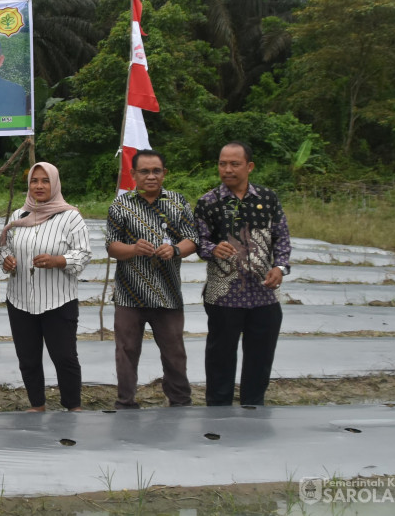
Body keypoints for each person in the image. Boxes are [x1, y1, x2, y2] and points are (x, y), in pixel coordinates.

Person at [194, 141, 292, 406]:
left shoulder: (268, 199)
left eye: (234, 164)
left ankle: (253, 408)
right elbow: (197, 242)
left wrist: (280, 267)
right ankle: (218, 411)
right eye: (222, 163)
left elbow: (281, 238)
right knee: (220, 358)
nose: (227, 169)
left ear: (249, 166)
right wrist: (213, 248)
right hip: (224, 296)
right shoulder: (208, 203)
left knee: (260, 359)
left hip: (264, 295)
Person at [105, 149, 198, 409]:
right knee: (126, 352)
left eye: (156, 171)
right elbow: (112, 247)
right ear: (132, 174)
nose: (151, 176)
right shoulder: (121, 206)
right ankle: (125, 402)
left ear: (164, 173)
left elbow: (193, 239)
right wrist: (133, 249)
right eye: (144, 171)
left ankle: (180, 401)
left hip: (167, 293)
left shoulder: (178, 202)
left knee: (174, 352)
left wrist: (176, 249)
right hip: (129, 293)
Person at [0, 162, 91, 412]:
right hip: (20, 299)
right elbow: (3, 247)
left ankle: (73, 406)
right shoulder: (19, 216)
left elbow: (83, 254)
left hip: (58, 300)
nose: (39, 186)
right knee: (28, 358)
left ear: (55, 183)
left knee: (64, 357)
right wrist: (6, 260)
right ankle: (37, 404)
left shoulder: (70, 217)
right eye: (34, 181)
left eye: (45, 180)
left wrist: (58, 261)